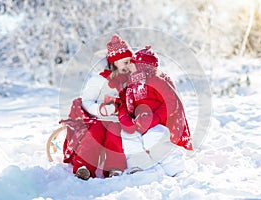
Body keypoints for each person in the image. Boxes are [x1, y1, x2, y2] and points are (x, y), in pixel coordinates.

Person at [60, 34, 133, 180]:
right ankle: (84, 167)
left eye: (129, 62)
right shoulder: (99, 80)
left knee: (115, 138)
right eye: (124, 62)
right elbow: (87, 101)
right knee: (93, 136)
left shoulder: (129, 82)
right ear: (114, 62)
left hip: (117, 120)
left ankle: (115, 168)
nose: (127, 65)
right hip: (97, 118)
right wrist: (100, 109)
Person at [116, 45, 193, 176]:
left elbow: (172, 102)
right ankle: (138, 164)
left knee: (154, 136)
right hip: (139, 124)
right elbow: (122, 104)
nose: (130, 67)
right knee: (128, 136)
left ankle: (173, 165)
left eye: (133, 64)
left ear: (143, 66)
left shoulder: (157, 80)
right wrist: (125, 118)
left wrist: (154, 117)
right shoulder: (130, 85)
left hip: (159, 123)